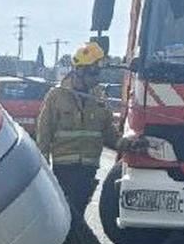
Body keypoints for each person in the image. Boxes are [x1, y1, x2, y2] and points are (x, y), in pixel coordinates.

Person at [35, 42, 124, 214]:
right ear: (80, 71)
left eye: (98, 72)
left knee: (79, 209)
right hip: (64, 167)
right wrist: (43, 166)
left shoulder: (98, 97)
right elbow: (44, 132)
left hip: (89, 167)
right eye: (94, 72)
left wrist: (125, 144)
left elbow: (108, 131)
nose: (97, 77)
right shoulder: (57, 95)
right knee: (66, 211)